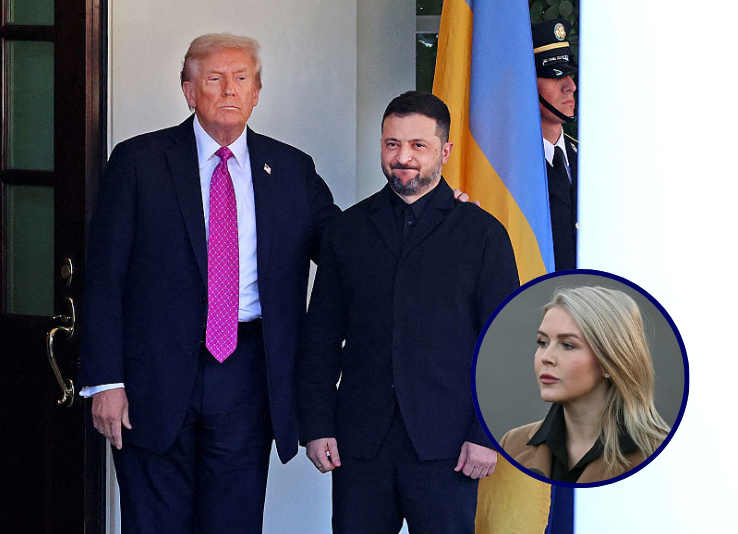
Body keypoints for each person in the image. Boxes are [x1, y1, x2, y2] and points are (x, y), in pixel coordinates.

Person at [78, 33, 341, 534]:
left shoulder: (290, 168)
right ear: (188, 90)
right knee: (154, 520)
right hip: (150, 375)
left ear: (257, 92)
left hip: (247, 373)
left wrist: (436, 212)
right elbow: (105, 277)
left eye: (241, 79)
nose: (228, 90)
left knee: (233, 521)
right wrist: (106, 381)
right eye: (214, 79)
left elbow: (345, 249)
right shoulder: (138, 162)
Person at [298, 91, 520, 533]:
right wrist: (316, 424)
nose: (403, 157)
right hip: (360, 442)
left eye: (418, 145)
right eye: (392, 144)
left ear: (445, 150)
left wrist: (485, 434)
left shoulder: (482, 234)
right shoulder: (348, 230)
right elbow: (320, 336)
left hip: (450, 444)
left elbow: (507, 343)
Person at [500, 286, 670, 484]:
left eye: (568, 345)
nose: (546, 357)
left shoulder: (662, 454)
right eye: (542, 342)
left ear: (611, 359)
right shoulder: (512, 443)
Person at [532, 18, 578, 271]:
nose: (570, 86)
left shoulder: (587, 158)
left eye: (569, 74)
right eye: (555, 75)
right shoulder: (509, 165)